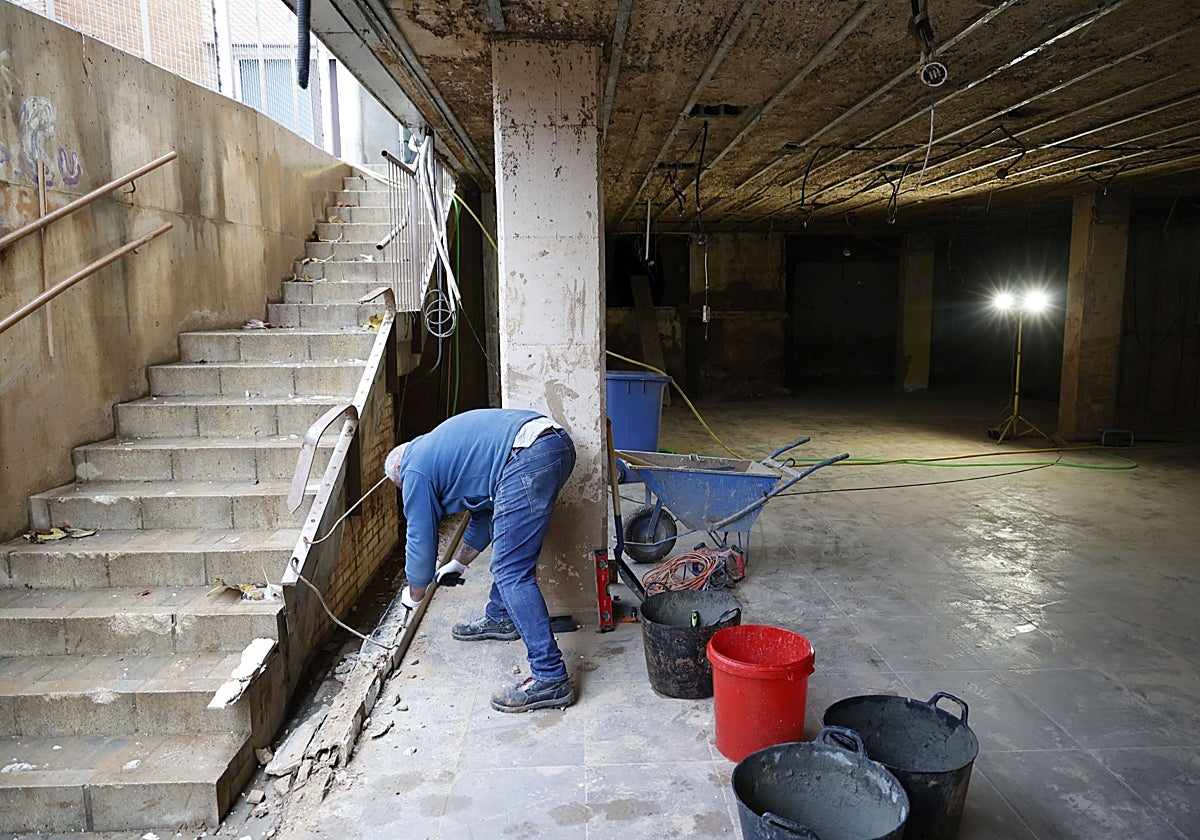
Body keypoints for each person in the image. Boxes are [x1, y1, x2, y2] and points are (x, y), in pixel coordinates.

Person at [384, 408, 577, 712]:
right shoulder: (440, 450)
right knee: (512, 553)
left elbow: (420, 538)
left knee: (510, 570)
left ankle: (550, 676)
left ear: (398, 474)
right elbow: (486, 513)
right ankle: (500, 617)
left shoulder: (413, 470)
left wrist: (414, 595)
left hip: (527, 453)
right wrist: (459, 564)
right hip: (554, 445)